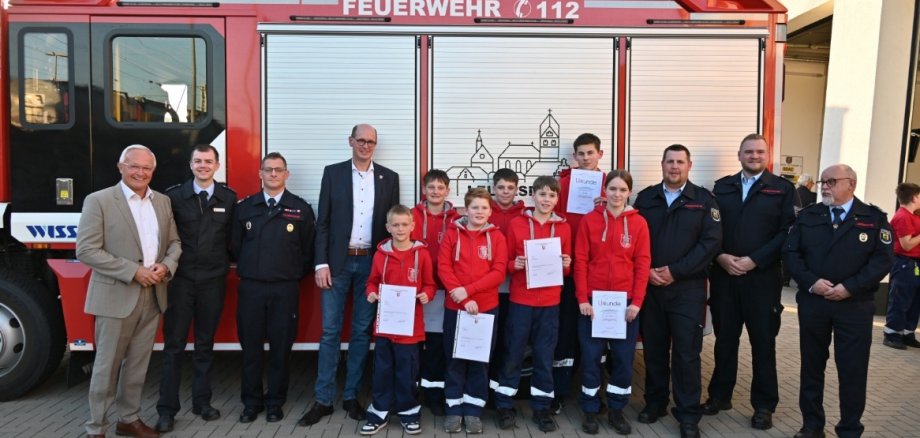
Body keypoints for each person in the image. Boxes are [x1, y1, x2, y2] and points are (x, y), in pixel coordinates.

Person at [77, 144, 181, 438]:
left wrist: (166, 265)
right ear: (121, 167)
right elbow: (86, 250)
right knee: (106, 366)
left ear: (153, 171)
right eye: (134, 166)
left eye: (146, 167)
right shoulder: (99, 201)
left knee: (138, 364)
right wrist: (133, 271)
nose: (140, 172)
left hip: (153, 295)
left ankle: (128, 419)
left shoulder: (161, 201)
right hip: (116, 296)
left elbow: (175, 243)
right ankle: (96, 427)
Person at [783, 164, 894, 438]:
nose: (825, 186)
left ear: (851, 184)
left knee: (853, 370)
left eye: (831, 181)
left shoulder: (873, 218)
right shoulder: (809, 215)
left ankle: (849, 429)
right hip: (815, 304)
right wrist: (811, 282)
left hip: (854, 307)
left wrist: (850, 287)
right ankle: (811, 425)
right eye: (823, 181)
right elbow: (791, 253)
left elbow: (882, 261)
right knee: (811, 367)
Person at [301, 123, 401, 426]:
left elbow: (390, 225)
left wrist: (388, 267)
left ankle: (351, 397)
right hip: (337, 263)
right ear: (351, 141)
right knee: (330, 332)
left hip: (371, 264)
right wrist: (321, 263)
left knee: (360, 332)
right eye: (361, 140)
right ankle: (323, 400)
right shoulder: (333, 173)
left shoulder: (389, 178)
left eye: (371, 141)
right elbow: (324, 222)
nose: (366, 146)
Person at [703, 134, 796, 431]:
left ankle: (764, 405)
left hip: (762, 279)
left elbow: (787, 233)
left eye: (759, 151)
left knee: (763, 344)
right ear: (739, 154)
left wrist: (755, 259)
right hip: (724, 275)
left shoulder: (782, 189)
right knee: (725, 341)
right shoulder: (722, 187)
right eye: (748, 151)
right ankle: (720, 396)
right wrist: (720, 257)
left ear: (767, 155)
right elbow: (710, 228)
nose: (754, 156)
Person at [633, 144, 721, 438]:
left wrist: (674, 271)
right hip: (651, 287)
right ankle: (655, 403)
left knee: (686, 353)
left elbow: (709, 245)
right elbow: (633, 238)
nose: (674, 166)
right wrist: (645, 271)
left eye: (679, 162)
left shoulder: (705, 200)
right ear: (662, 164)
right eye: (669, 161)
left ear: (689, 165)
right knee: (655, 351)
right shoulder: (646, 199)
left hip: (687, 289)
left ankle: (687, 414)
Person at [155, 145, 237, 433]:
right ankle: (167, 409)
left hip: (213, 281)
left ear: (217, 165)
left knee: (205, 345)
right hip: (181, 281)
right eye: (198, 161)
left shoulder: (228, 197)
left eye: (208, 161)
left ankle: (202, 402)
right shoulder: (173, 196)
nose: (203, 166)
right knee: (174, 346)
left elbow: (233, 240)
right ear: (191, 165)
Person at [231, 152, 315, 424]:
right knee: (251, 349)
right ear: (260, 173)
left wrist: (288, 275)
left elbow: (307, 252)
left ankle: (276, 402)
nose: (274, 174)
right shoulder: (245, 208)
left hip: (284, 289)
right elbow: (234, 246)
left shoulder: (300, 209)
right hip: (251, 288)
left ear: (287, 174)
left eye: (279, 170)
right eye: (268, 170)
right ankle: (251, 403)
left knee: (281, 349)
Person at [574, 170, 650, 436]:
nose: (616, 195)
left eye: (622, 190)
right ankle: (591, 410)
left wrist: (637, 302)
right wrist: (582, 298)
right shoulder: (589, 221)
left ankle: (617, 411)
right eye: (612, 189)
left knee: (622, 359)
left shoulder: (639, 223)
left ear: (629, 193)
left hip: (624, 304)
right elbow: (581, 261)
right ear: (604, 191)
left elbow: (642, 264)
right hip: (593, 303)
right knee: (592, 358)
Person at [494, 176, 572, 433]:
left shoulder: (564, 227)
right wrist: (512, 265)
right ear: (533, 196)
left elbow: (568, 269)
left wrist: (566, 265)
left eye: (551, 196)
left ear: (557, 199)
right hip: (520, 301)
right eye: (541, 194)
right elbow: (503, 262)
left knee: (543, 356)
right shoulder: (517, 224)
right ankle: (504, 405)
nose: (546, 200)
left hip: (550, 303)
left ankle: (542, 408)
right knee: (513, 353)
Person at [360, 205, 436, 435]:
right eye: (396, 225)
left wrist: (427, 295)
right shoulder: (380, 254)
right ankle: (379, 413)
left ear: (413, 226)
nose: (400, 229)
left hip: (410, 330)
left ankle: (409, 412)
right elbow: (371, 281)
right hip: (385, 327)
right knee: (382, 370)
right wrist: (371, 293)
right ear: (388, 227)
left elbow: (430, 284)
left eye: (405, 224)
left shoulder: (422, 254)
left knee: (407, 373)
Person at [439, 187, 508, 434]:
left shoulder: (497, 237)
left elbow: (499, 272)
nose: (480, 212)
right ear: (465, 210)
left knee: (479, 362)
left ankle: (473, 411)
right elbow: (443, 268)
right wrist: (460, 294)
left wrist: (467, 291)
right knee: (455, 360)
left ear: (490, 211)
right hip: (454, 308)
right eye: (475, 207)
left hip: (485, 309)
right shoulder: (451, 234)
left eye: (484, 208)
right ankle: (454, 409)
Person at [552, 133, 606, 414]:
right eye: (580, 154)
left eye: (590, 153)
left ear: (600, 154)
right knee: (565, 333)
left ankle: (597, 394)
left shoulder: (611, 186)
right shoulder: (563, 185)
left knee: (600, 335)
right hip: (568, 272)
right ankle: (559, 393)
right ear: (574, 157)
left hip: (601, 275)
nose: (585, 158)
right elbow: (555, 222)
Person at [411, 169, 459, 416]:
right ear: (424, 190)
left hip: (444, 290)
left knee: (438, 345)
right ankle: (410, 394)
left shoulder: (458, 219)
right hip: (416, 290)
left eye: (440, 188)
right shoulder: (411, 216)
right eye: (431, 187)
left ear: (447, 191)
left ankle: (433, 395)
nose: (435, 192)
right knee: (414, 344)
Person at [487, 168, 524, 404]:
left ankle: (504, 390)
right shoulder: (484, 211)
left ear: (517, 190)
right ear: (493, 189)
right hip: (489, 288)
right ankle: (487, 391)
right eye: (501, 187)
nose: (505, 192)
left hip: (514, 288)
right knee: (488, 341)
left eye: (510, 188)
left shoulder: (524, 216)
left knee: (507, 342)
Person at [883, 182, 920, 349]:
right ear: (914, 197)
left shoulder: (913, 215)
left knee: (914, 300)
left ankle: (907, 332)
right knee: (901, 298)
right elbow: (907, 245)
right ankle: (892, 333)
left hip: (914, 263)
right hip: (904, 263)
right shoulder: (903, 217)